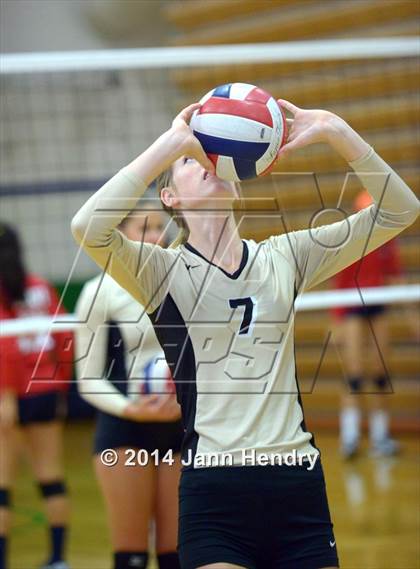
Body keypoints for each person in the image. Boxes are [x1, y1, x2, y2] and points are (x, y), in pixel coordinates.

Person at [71, 99, 419, 569]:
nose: (206, 162)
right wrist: (172, 142)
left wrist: (338, 131)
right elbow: (87, 227)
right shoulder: (160, 271)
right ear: (171, 198)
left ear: (238, 186)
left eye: (211, 155)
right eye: (192, 162)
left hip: (296, 482)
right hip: (215, 495)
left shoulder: (286, 256)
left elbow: (400, 211)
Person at [74, 204, 183, 569]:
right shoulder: (98, 291)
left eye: (161, 228)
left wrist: (191, 402)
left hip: (181, 429)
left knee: (176, 554)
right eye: (146, 228)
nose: (158, 236)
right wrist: (130, 408)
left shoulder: (186, 281)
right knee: (132, 556)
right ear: (119, 235)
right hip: (125, 431)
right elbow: (88, 379)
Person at [0, 223, 73, 569]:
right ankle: (58, 559)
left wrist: (6, 396)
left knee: (2, 485)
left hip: (8, 393)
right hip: (44, 391)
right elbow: (64, 340)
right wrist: (60, 386)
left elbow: (6, 350)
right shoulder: (41, 286)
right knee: (51, 476)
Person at [332, 190, 410, 459]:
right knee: (353, 375)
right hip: (351, 305)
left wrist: (412, 317)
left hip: (377, 304)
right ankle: (350, 437)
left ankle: (380, 437)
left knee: (380, 373)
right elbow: (337, 283)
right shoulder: (348, 241)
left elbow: (396, 278)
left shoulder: (387, 241)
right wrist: (337, 323)